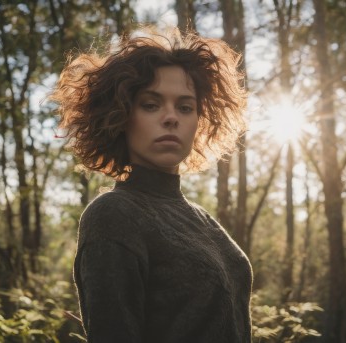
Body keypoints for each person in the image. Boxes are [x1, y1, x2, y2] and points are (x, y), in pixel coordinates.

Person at [50, 27, 252, 342]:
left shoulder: (202, 219)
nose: (171, 117)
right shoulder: (113, 215)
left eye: (185, 107)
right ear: (121, 116)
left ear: (198, 121)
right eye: (151, 104)